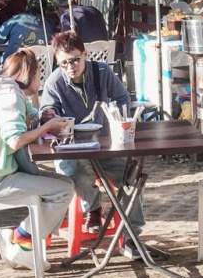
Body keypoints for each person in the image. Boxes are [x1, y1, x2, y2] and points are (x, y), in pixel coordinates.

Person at [39, 30, 142, 250]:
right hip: (72, 145)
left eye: (75, 60)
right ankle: (94, 207)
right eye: (64, 63)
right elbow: (47, 109)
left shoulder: (102, 71)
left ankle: (133, 235)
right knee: (76, 172)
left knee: (131, 177)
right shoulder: (54, 82)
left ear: (85, 54)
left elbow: (123, 98)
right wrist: (50, 116)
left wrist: (113, 115)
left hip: (106, 141)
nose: (70, 67)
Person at [0, 74, 76, 270]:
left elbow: (31, 115)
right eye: (38, 73)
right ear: (29, 74)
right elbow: (15, 140)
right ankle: (22, 242)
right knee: (63, 192)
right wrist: (46, 128)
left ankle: (21, 242)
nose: (40, 79)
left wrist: (42, 118)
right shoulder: (10, 97)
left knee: (67, 184)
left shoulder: (3, 92)